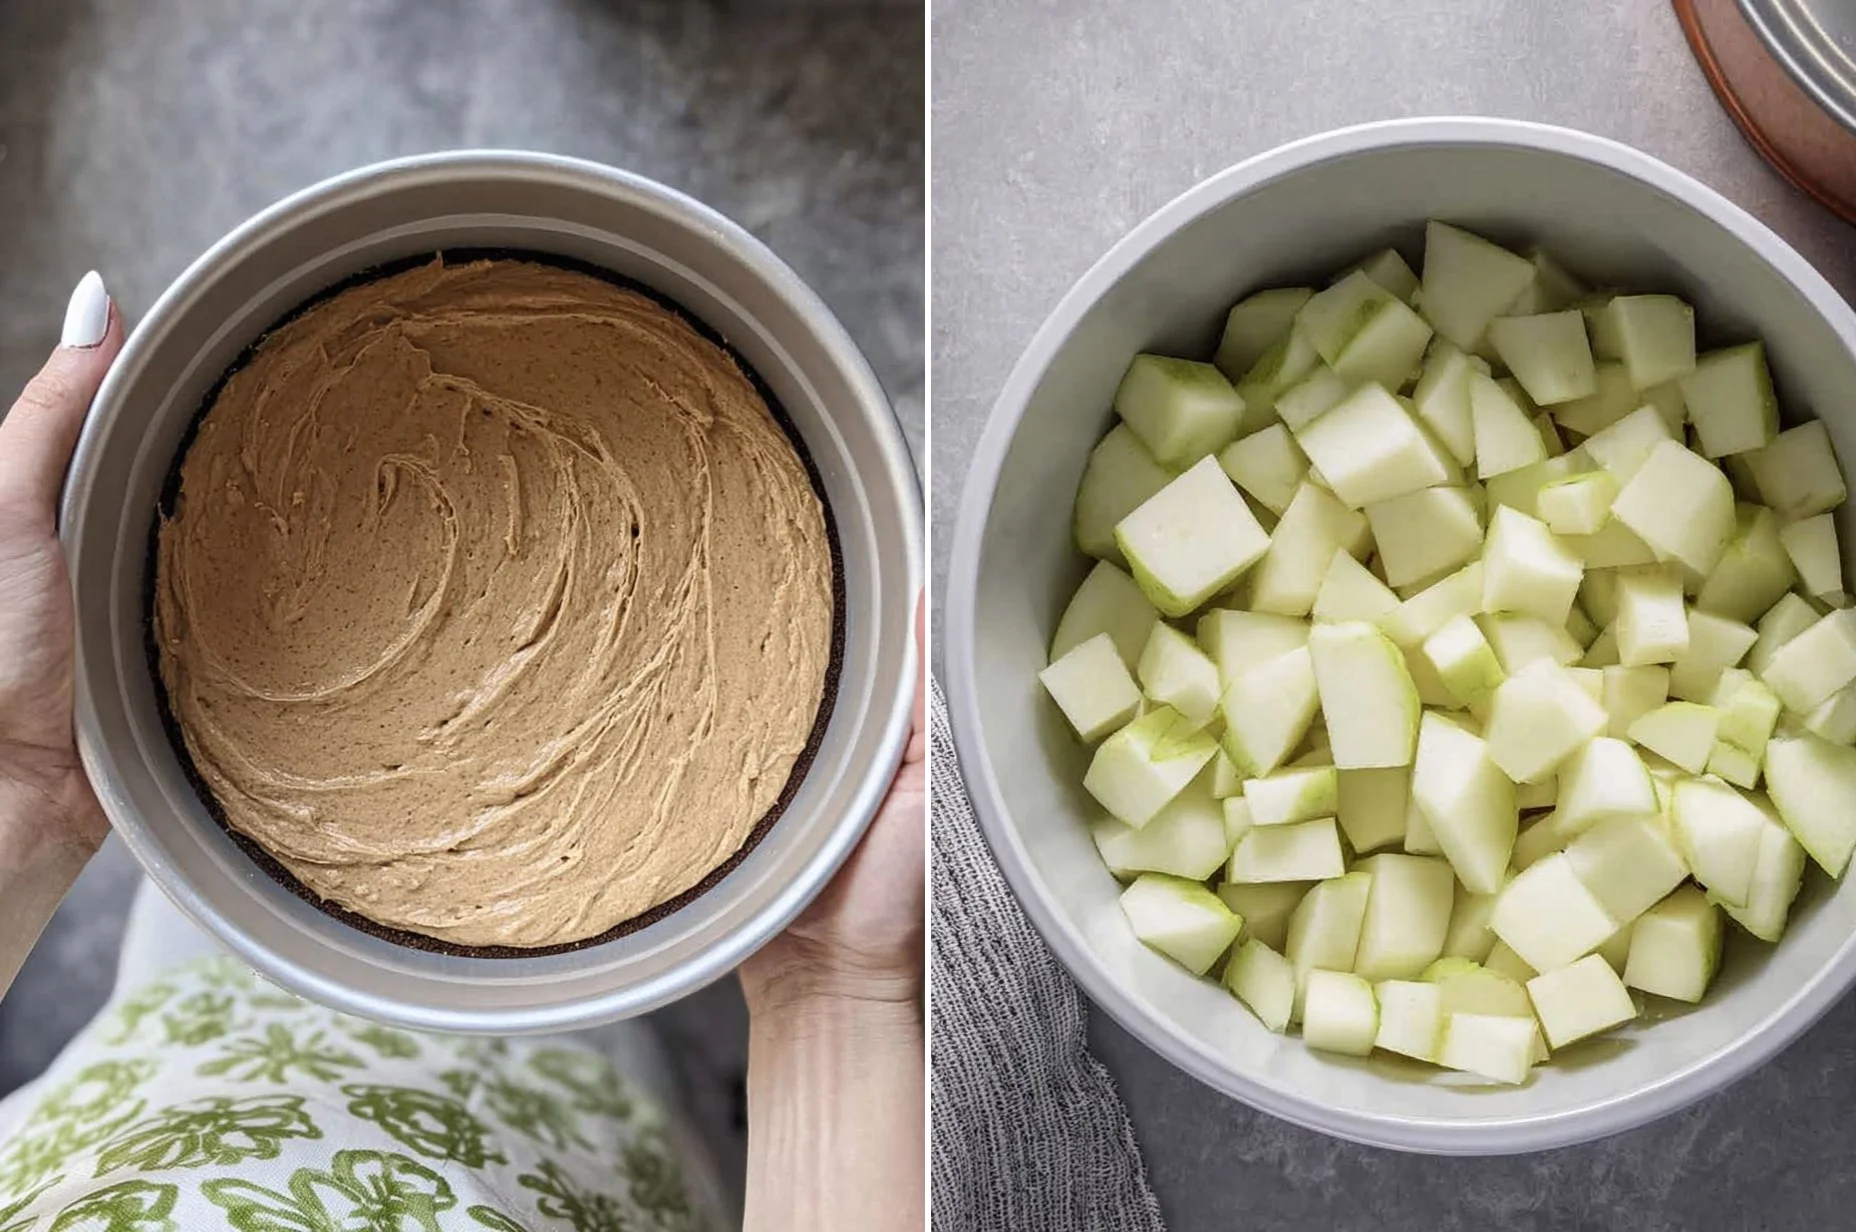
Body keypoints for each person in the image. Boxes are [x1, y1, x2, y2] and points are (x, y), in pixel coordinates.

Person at [0, 273, 924, 1231]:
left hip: (198, 1030)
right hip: (590, 1142)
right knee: (637, 1074)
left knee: (216, 955)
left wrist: (19, 785)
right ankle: (660, 1069)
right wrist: (829, 992)